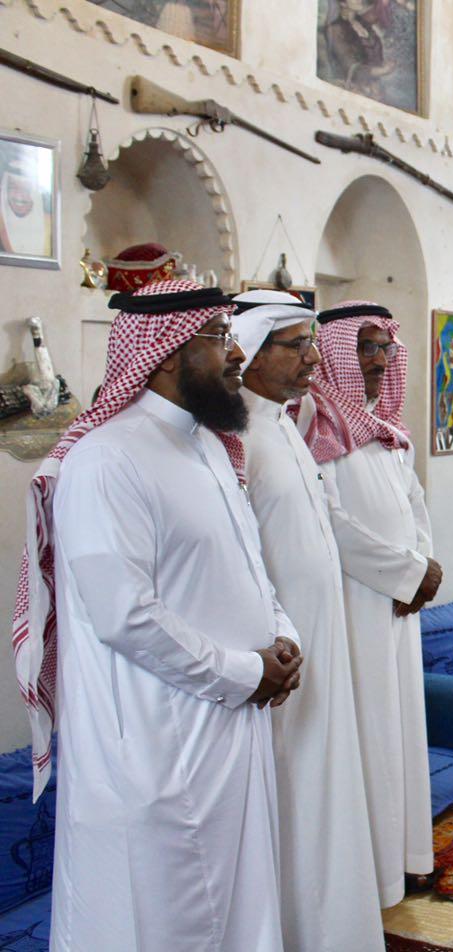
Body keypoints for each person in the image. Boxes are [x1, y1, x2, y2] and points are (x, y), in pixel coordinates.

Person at [11, 280, 304, 951]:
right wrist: (245, 672)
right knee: (157, 923)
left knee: (241, 912)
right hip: (155, 748)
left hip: (231, 732)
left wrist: (282, 636)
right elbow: (125, 616)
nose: (237, 353)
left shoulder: (211, 446)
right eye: (219, 338)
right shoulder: (107, 459)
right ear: (167, 352)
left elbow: (247, 567)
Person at [232, 290, 383, 950]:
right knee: (292, 796)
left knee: (325, 790)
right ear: (251, 351)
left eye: (313, 344)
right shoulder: (235, 437)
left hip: (321, 644)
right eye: (297, 345)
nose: (313, 359)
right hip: (278, 658)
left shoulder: (285, 427)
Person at [305, 300, 441, 907]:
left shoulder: (385, 429)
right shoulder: (318, 426)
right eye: (365, 347)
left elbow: (414, 502)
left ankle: (409, 857)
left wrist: (423, 566)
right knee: (371, 734)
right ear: (337, 352)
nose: (380, 360)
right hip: (355, 604)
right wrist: (406, 573)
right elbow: (329, 523)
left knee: (404, 732)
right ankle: (375, 875)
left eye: (385, 347)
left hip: (400, 605)